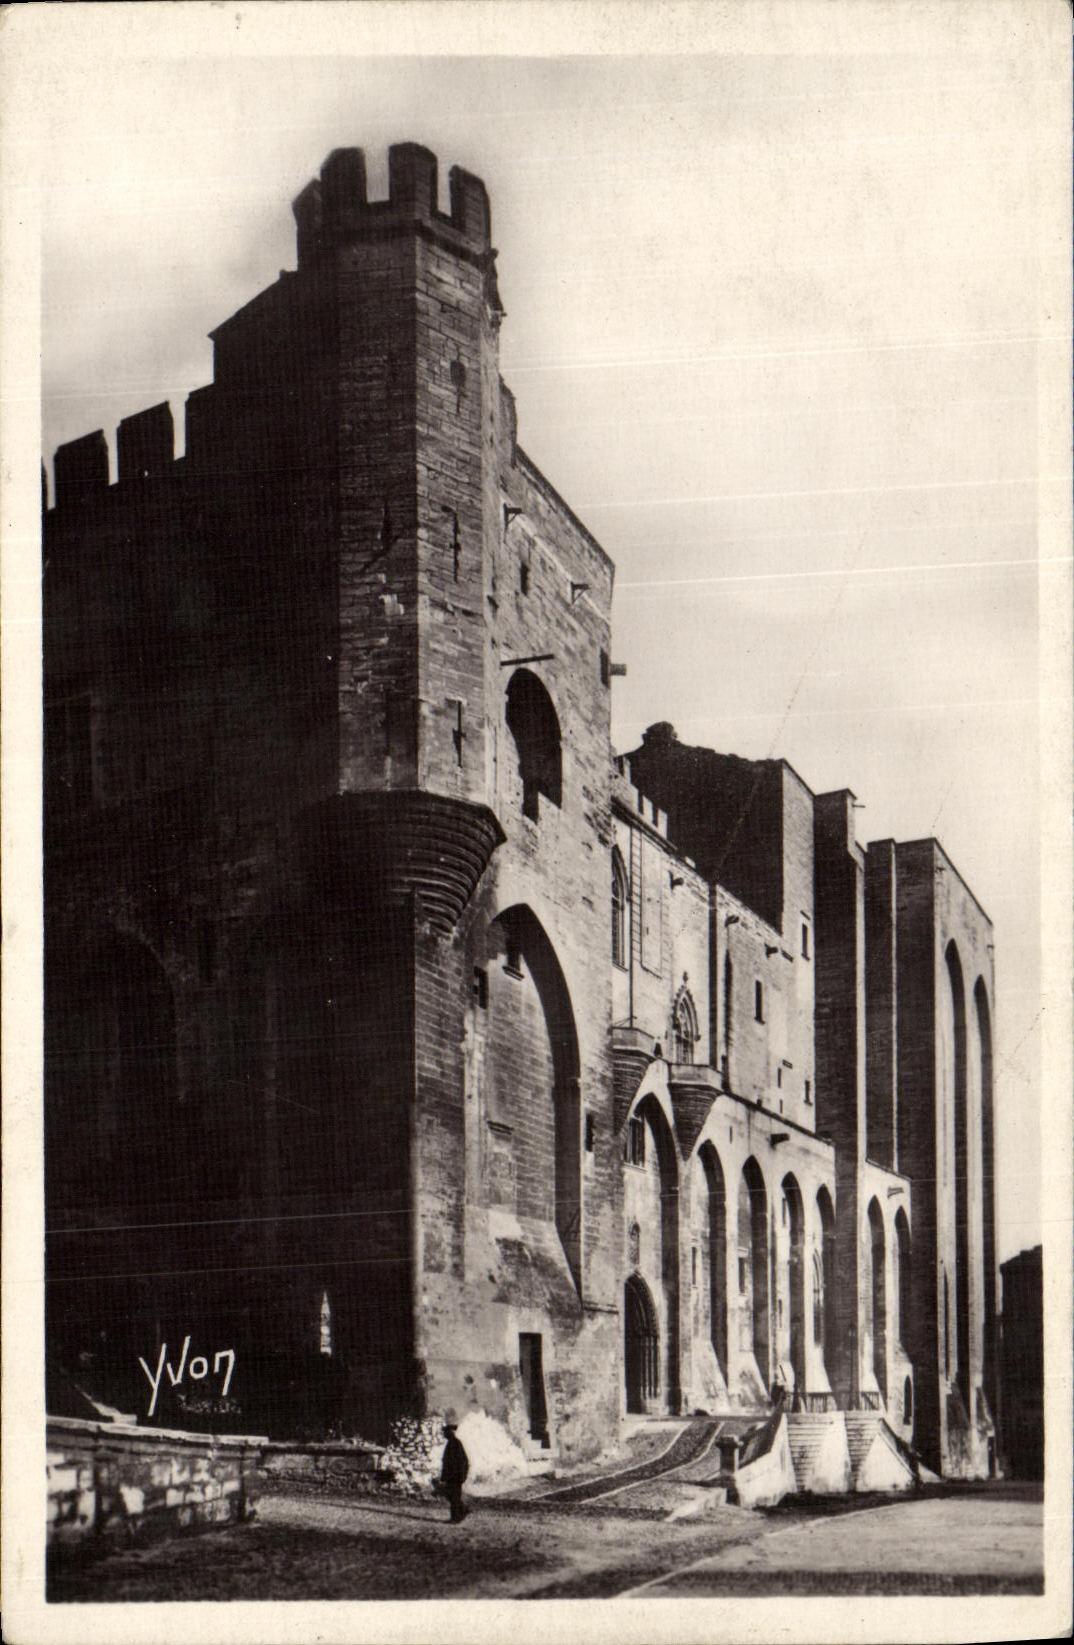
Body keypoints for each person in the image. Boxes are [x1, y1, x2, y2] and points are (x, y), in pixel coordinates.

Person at [439, 1409, 470, 1523]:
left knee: (454, 1497)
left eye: (445, 1432)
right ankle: (462, 1511)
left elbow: (463, 1461)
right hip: (452, 1476)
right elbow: (447, 1462)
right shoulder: (451, 1443)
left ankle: (456, 1517)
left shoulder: (455, 1443)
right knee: (451, 1496)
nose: (444, 1434)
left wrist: (461, 1475)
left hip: (455, 1476)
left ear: (450, 1432)